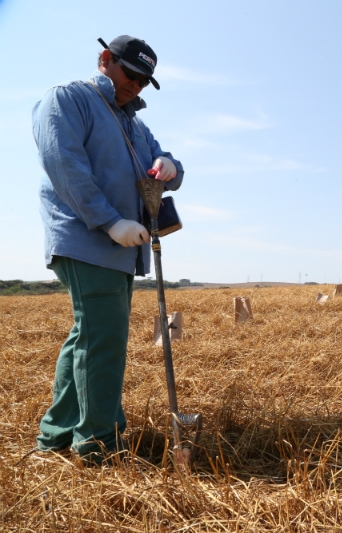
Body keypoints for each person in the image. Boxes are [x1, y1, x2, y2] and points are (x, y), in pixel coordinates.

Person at [32, 35, 183, 462]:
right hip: (88, 239)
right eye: (130, 74)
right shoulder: (68, 100)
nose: (135, 85)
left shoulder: (133, 123)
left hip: (121, 246)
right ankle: (100, 445)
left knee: (88, 335)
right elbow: (65, 166)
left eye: (144, 81)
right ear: (105, 60)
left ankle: (56, 436)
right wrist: (110, 221)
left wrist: (171, 167)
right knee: (105, 339)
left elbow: (165, 160)